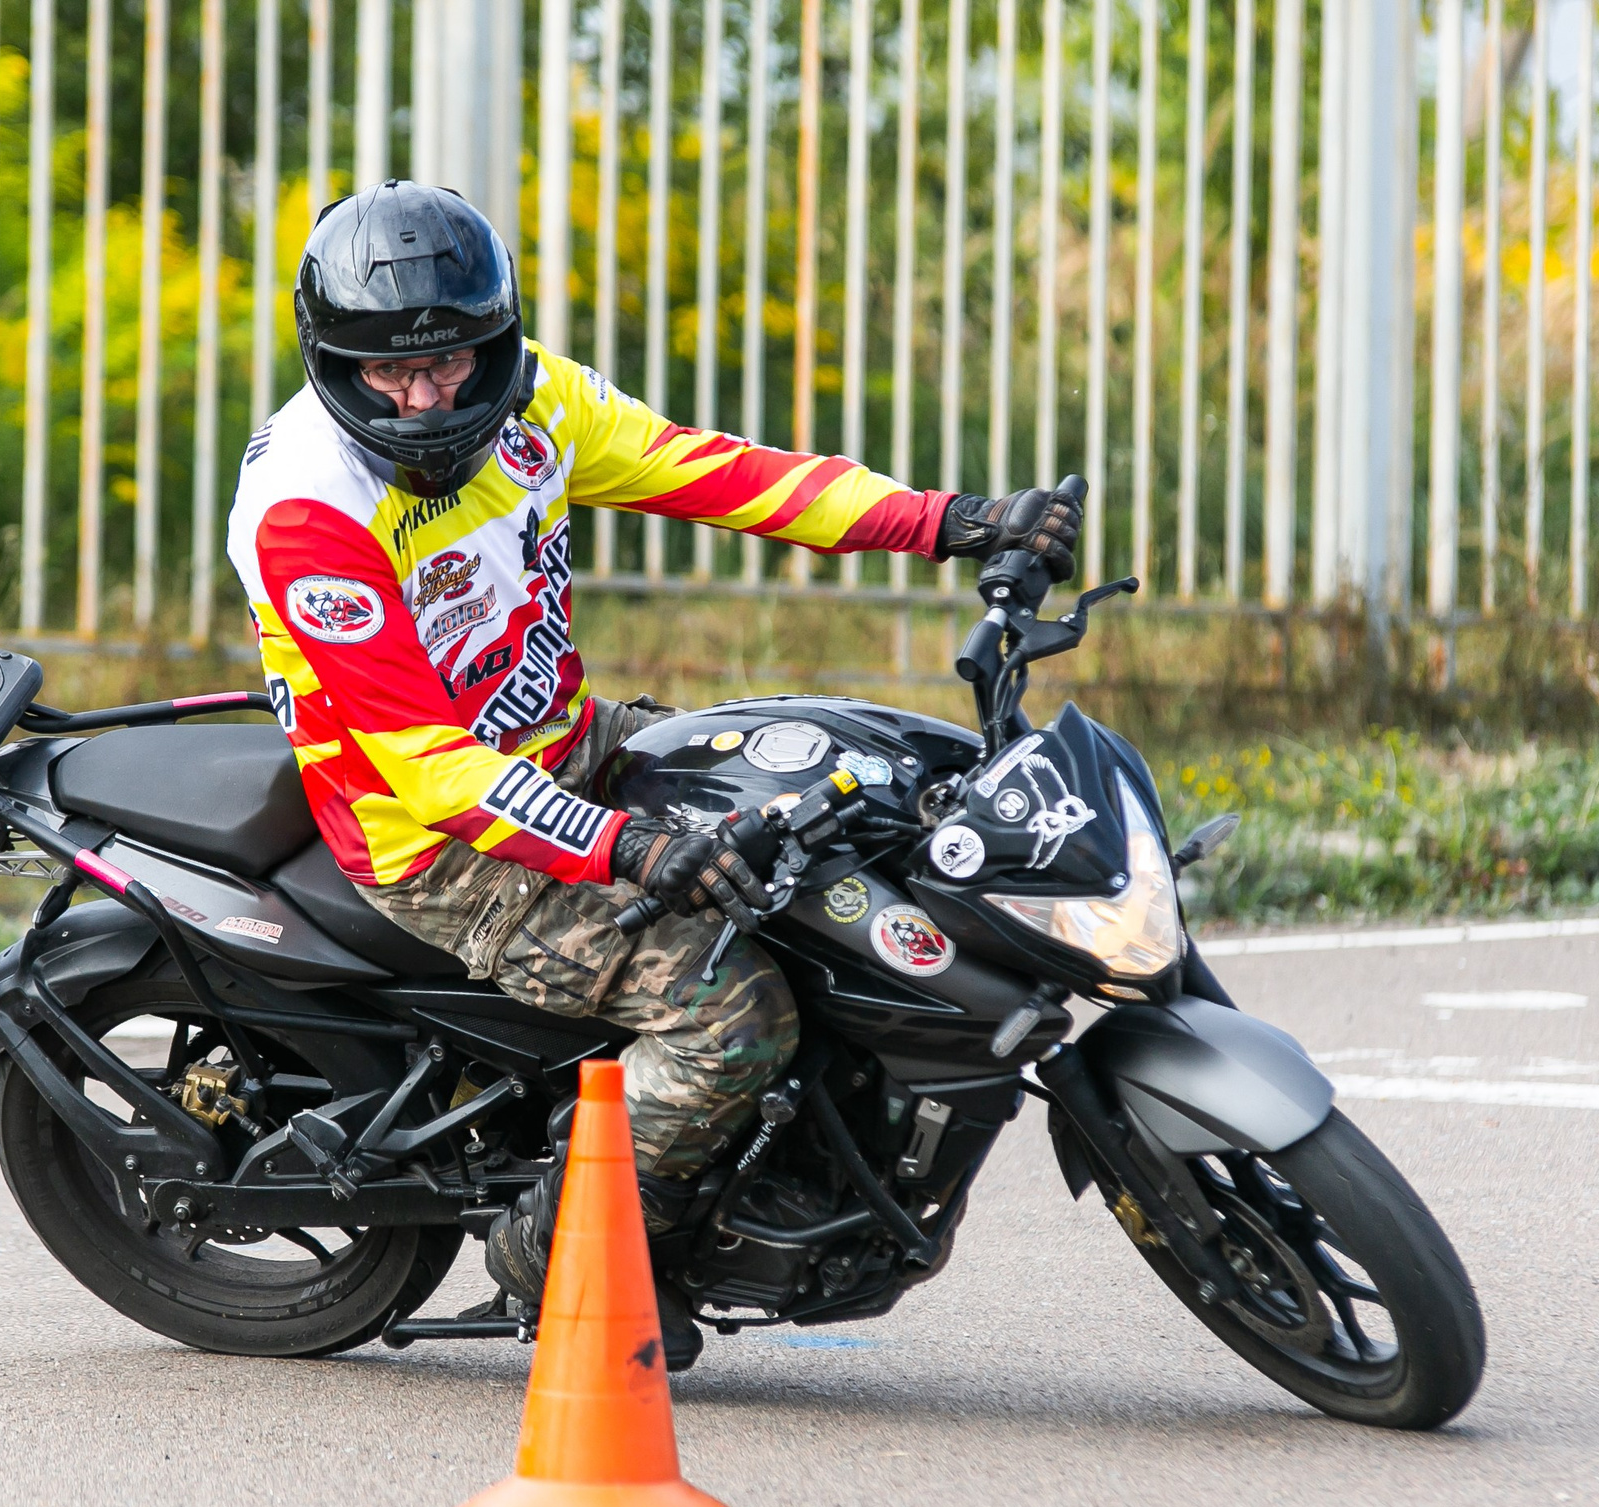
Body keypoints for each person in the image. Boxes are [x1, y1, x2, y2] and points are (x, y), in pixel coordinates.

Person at [225, 181, 1081, 1365]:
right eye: (390, 376)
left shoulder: (539, 407)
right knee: (729, 1015)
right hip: (442, 845)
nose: (426, 401)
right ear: (333, 363)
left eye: (454, 365)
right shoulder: (307, 510)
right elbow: (429, 766)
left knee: (841, 806)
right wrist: (624, 846)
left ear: (498, 341)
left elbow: (720, 472)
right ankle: (552, 1255)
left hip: (573, 740)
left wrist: (952, 521)